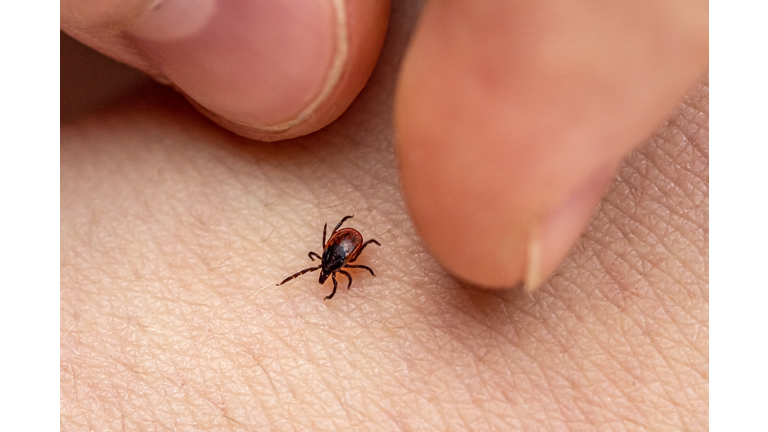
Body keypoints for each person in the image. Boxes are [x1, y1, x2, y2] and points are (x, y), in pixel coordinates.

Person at [61, 1, 708, 429]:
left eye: (333, 264)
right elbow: (347, 235)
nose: (331, 266)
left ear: (338, 260)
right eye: (329, 265)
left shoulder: (343, 256)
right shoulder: (344, 254)